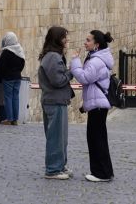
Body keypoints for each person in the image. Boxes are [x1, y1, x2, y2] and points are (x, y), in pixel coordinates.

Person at [70, 30, 115, 183]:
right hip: (97, 105)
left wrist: (75, 61)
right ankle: (104, 171)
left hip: (98, 105)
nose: (85, 42)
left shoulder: (96, 61)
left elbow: (84, 78)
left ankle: (101, 173)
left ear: (96, 44)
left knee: (96, 139)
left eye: (88, 40)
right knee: (98, 138)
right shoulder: (96, 58)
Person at [39, 26, 73, 180]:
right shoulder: (53, 57)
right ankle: (53, 169)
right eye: (64, 37)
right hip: (54, 101)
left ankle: (60, 165)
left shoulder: (53, 55)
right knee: (55, 137)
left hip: (56, 100)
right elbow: (58, 80)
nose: (67, 40)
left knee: (61, 137)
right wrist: (71, 72)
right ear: (57, 39)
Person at [0, 32, 26, 125]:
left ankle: (9, 118)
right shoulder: (19, 50)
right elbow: (22, 63)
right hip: (17, 77)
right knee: (15, 97)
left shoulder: (6, 52)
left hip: (8, 77)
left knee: (8, 97)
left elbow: (1, 66)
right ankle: (15, 119)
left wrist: (0, 77)